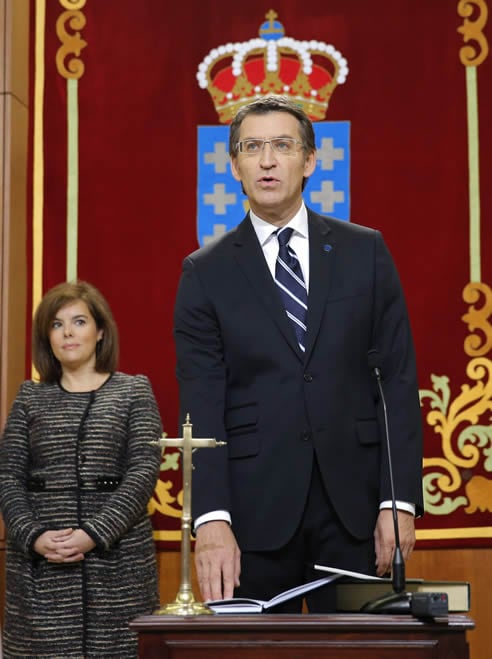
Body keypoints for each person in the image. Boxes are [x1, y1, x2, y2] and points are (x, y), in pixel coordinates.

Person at [173, 95, 424, 612]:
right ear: (235, 165)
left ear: (309, 160)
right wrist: (212, 518)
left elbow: (396, 381)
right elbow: (202, 401)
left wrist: (397, 502)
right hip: (251, 515)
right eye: (253, 147)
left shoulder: (366, 251)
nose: (268, 160)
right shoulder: (206, 272)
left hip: (354, 509)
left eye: (283, 146)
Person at [0, 281, 162, 657]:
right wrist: (34, 536)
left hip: (117, 563)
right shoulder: (29, 396)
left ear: (100, 331)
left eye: (79, 322)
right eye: (57, 325)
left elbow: (142, 473)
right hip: (40, 567)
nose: (68, 333)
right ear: (47, 337)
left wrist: (94, 533)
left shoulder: (134, 391)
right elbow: (8, 477)